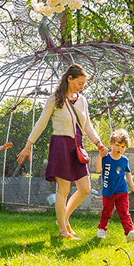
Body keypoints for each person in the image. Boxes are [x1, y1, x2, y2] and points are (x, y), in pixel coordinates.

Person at [16, 64, 107, 239]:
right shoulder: (54, 99)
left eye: (83, 84)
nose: (82, 87)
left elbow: (87, 125)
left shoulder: (82, 100)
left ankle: (63, 219)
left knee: (85, 188)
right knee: (63, 190)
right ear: (69, 79)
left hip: (77, 145)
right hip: (60, 145)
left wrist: (98, 143)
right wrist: (28, 146)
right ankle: (62, 231)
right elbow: (41, 123)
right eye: (80, 83)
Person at [96, 129, 134, 241]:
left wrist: (132, 183)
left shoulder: (124, 160)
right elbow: (97, 169)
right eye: (117, 145)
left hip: (122, 191)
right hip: (108, 192)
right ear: (111, 144)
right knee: (107, 212)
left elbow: (127, 172)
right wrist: (99, 156)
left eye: (122, 147)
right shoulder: (106, 158)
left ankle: (129, 232)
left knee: (124, 212)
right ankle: (101, 229)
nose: (119, 149)